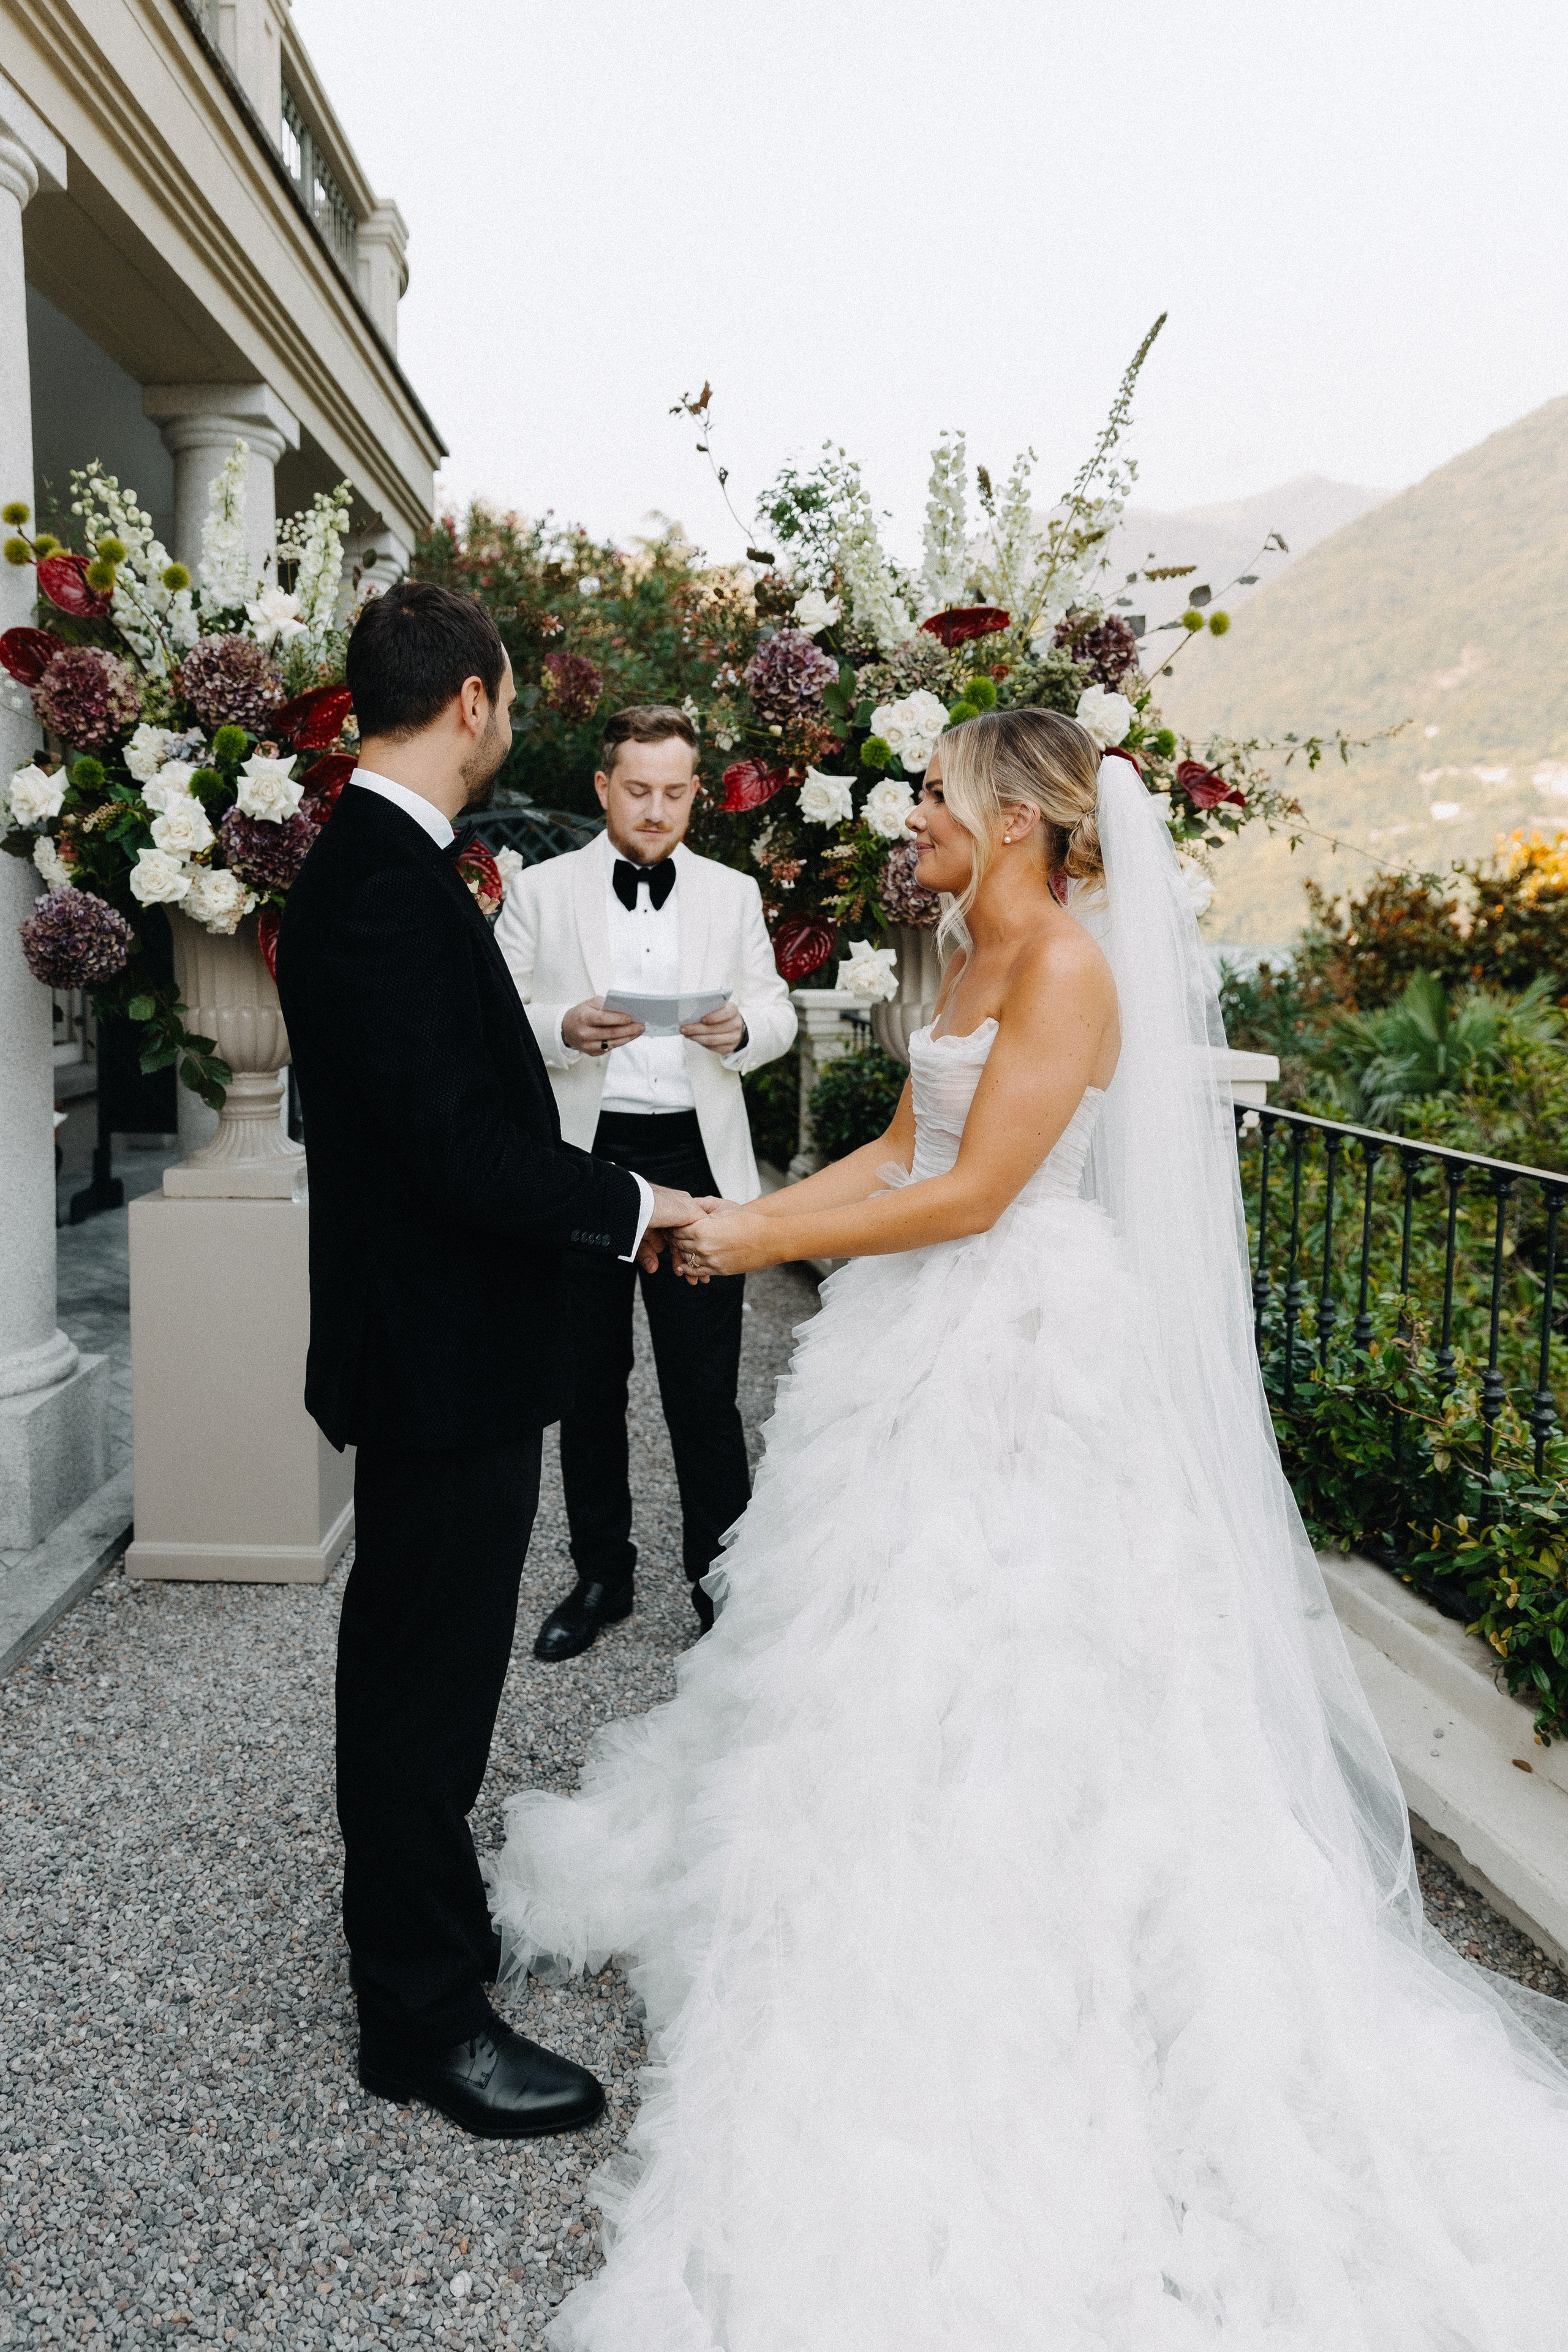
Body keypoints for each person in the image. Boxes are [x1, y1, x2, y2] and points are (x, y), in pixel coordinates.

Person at [488, 707, 1568, 2345]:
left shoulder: (1064, 968)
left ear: (1011, 819)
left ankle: (1015, 1949)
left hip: (1023, 1350)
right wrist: (744, 1216)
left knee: (1013, 1644)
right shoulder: (961, 954)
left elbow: (980, 1191)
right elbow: (906, 1138)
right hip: (914, 1329)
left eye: (931, 792)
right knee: (877, 1621)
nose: (908, 811)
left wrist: (753, 1233)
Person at [276, 582, 704, 2141]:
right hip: (435, 1351)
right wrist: (639, 1205)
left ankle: (425, 1956)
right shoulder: (384, 885)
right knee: (420, 1683)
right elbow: (457, 1148)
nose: (512, 718)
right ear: (470, 701)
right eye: (509, 697)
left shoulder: (378, 863)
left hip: (439, 1341)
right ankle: (421, 2021)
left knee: (422, 1665)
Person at [493, 705, 796, 1659]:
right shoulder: (539, 892)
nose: (657, 809)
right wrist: (561, 1029)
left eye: (675, 792)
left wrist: (743, 1032)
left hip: (698, 1162)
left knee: (703, 1390)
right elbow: (497, 1015)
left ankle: (719, 1580)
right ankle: (601, 1577)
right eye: (638, 790)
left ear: (696, 792)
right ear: (602, 789)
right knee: (589, 1381)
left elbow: (778, 1007)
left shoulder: (733, 892)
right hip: (584, 1161)